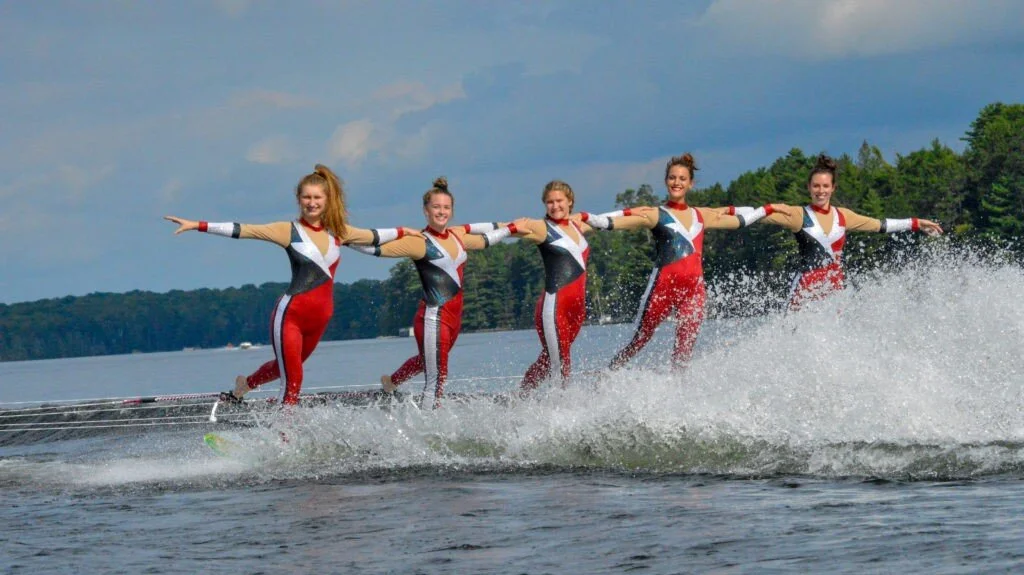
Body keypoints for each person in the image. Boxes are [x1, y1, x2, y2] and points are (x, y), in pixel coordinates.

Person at [164, 164, 417, 405]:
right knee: (293, 380)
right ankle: (284, 438)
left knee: (282, 367)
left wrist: (405, 231)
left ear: (327, 200)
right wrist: (198, 225)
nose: (312, 203)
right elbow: (244, 230)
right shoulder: (288, 230)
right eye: (306, 197)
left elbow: (374, 236)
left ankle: (245, 385)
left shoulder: (338, 232)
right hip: (291, 316)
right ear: (299, 199)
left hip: (320, 319)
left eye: (317, 197)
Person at [584, 153, 772, 371]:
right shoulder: (656, 214)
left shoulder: (702, 215)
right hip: (662, 288)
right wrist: (589, 220)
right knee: (641, 339)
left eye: (682, 179)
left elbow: (741, 220)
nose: (677, 182)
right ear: (666, 181)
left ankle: (679, 391)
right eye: (672, 178)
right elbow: (616, 222)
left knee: (684, 350)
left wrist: (766, 210)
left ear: (690, 184)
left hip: (693, 291)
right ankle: (608, 373)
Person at [348, 177, 518, 408]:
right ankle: (431, 426)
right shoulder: (419, 241)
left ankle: (391, 382)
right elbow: (375, 249)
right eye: (436, 207)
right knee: (437, 376)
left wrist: (511, 228)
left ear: (452, 210)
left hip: (455, 319)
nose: (441, 212)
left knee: (427, 362)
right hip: (433, 317)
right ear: (425, 210)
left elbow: (486, 239)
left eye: (446, 207)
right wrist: (345, 240)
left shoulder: (458, 236)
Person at [759, 153, 943, 310]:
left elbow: (880, 225)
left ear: (833, 188)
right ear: (808, 187)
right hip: (806, 286)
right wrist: (731, 211)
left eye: (825, 186)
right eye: (816, 186)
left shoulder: (843, 216)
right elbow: (757, 215)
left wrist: (916, 223)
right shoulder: (799, 215)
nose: (820, 191)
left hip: (834, 285)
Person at [499, 180, 630, 392]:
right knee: (561, 362)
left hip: (577, 309)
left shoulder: (580, 226)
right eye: (549, 202)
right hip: (554, 306)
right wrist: (471, 231)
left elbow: (608, 219)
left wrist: (636, 212)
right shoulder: (542, 227)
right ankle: (561, 409)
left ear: (570, 201)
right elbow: (507, 229)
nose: (555, 206)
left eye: (559, 200)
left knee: (550, 359)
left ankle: (520, 396)